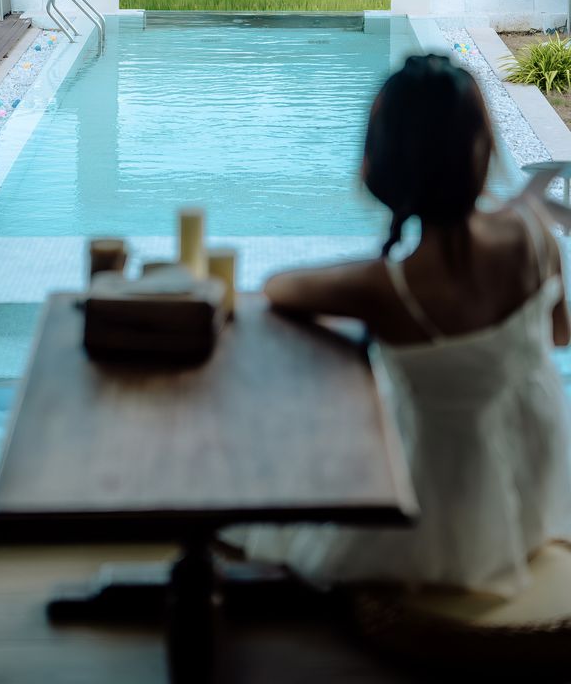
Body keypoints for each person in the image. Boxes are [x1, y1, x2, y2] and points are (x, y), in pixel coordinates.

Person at [232, 53, 571, 597]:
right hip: (538, 476)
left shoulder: (387, 286)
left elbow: (277, 289)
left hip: (450, 509)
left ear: (385, 165)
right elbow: (559, 335)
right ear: (481, 152)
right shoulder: (534, 234)